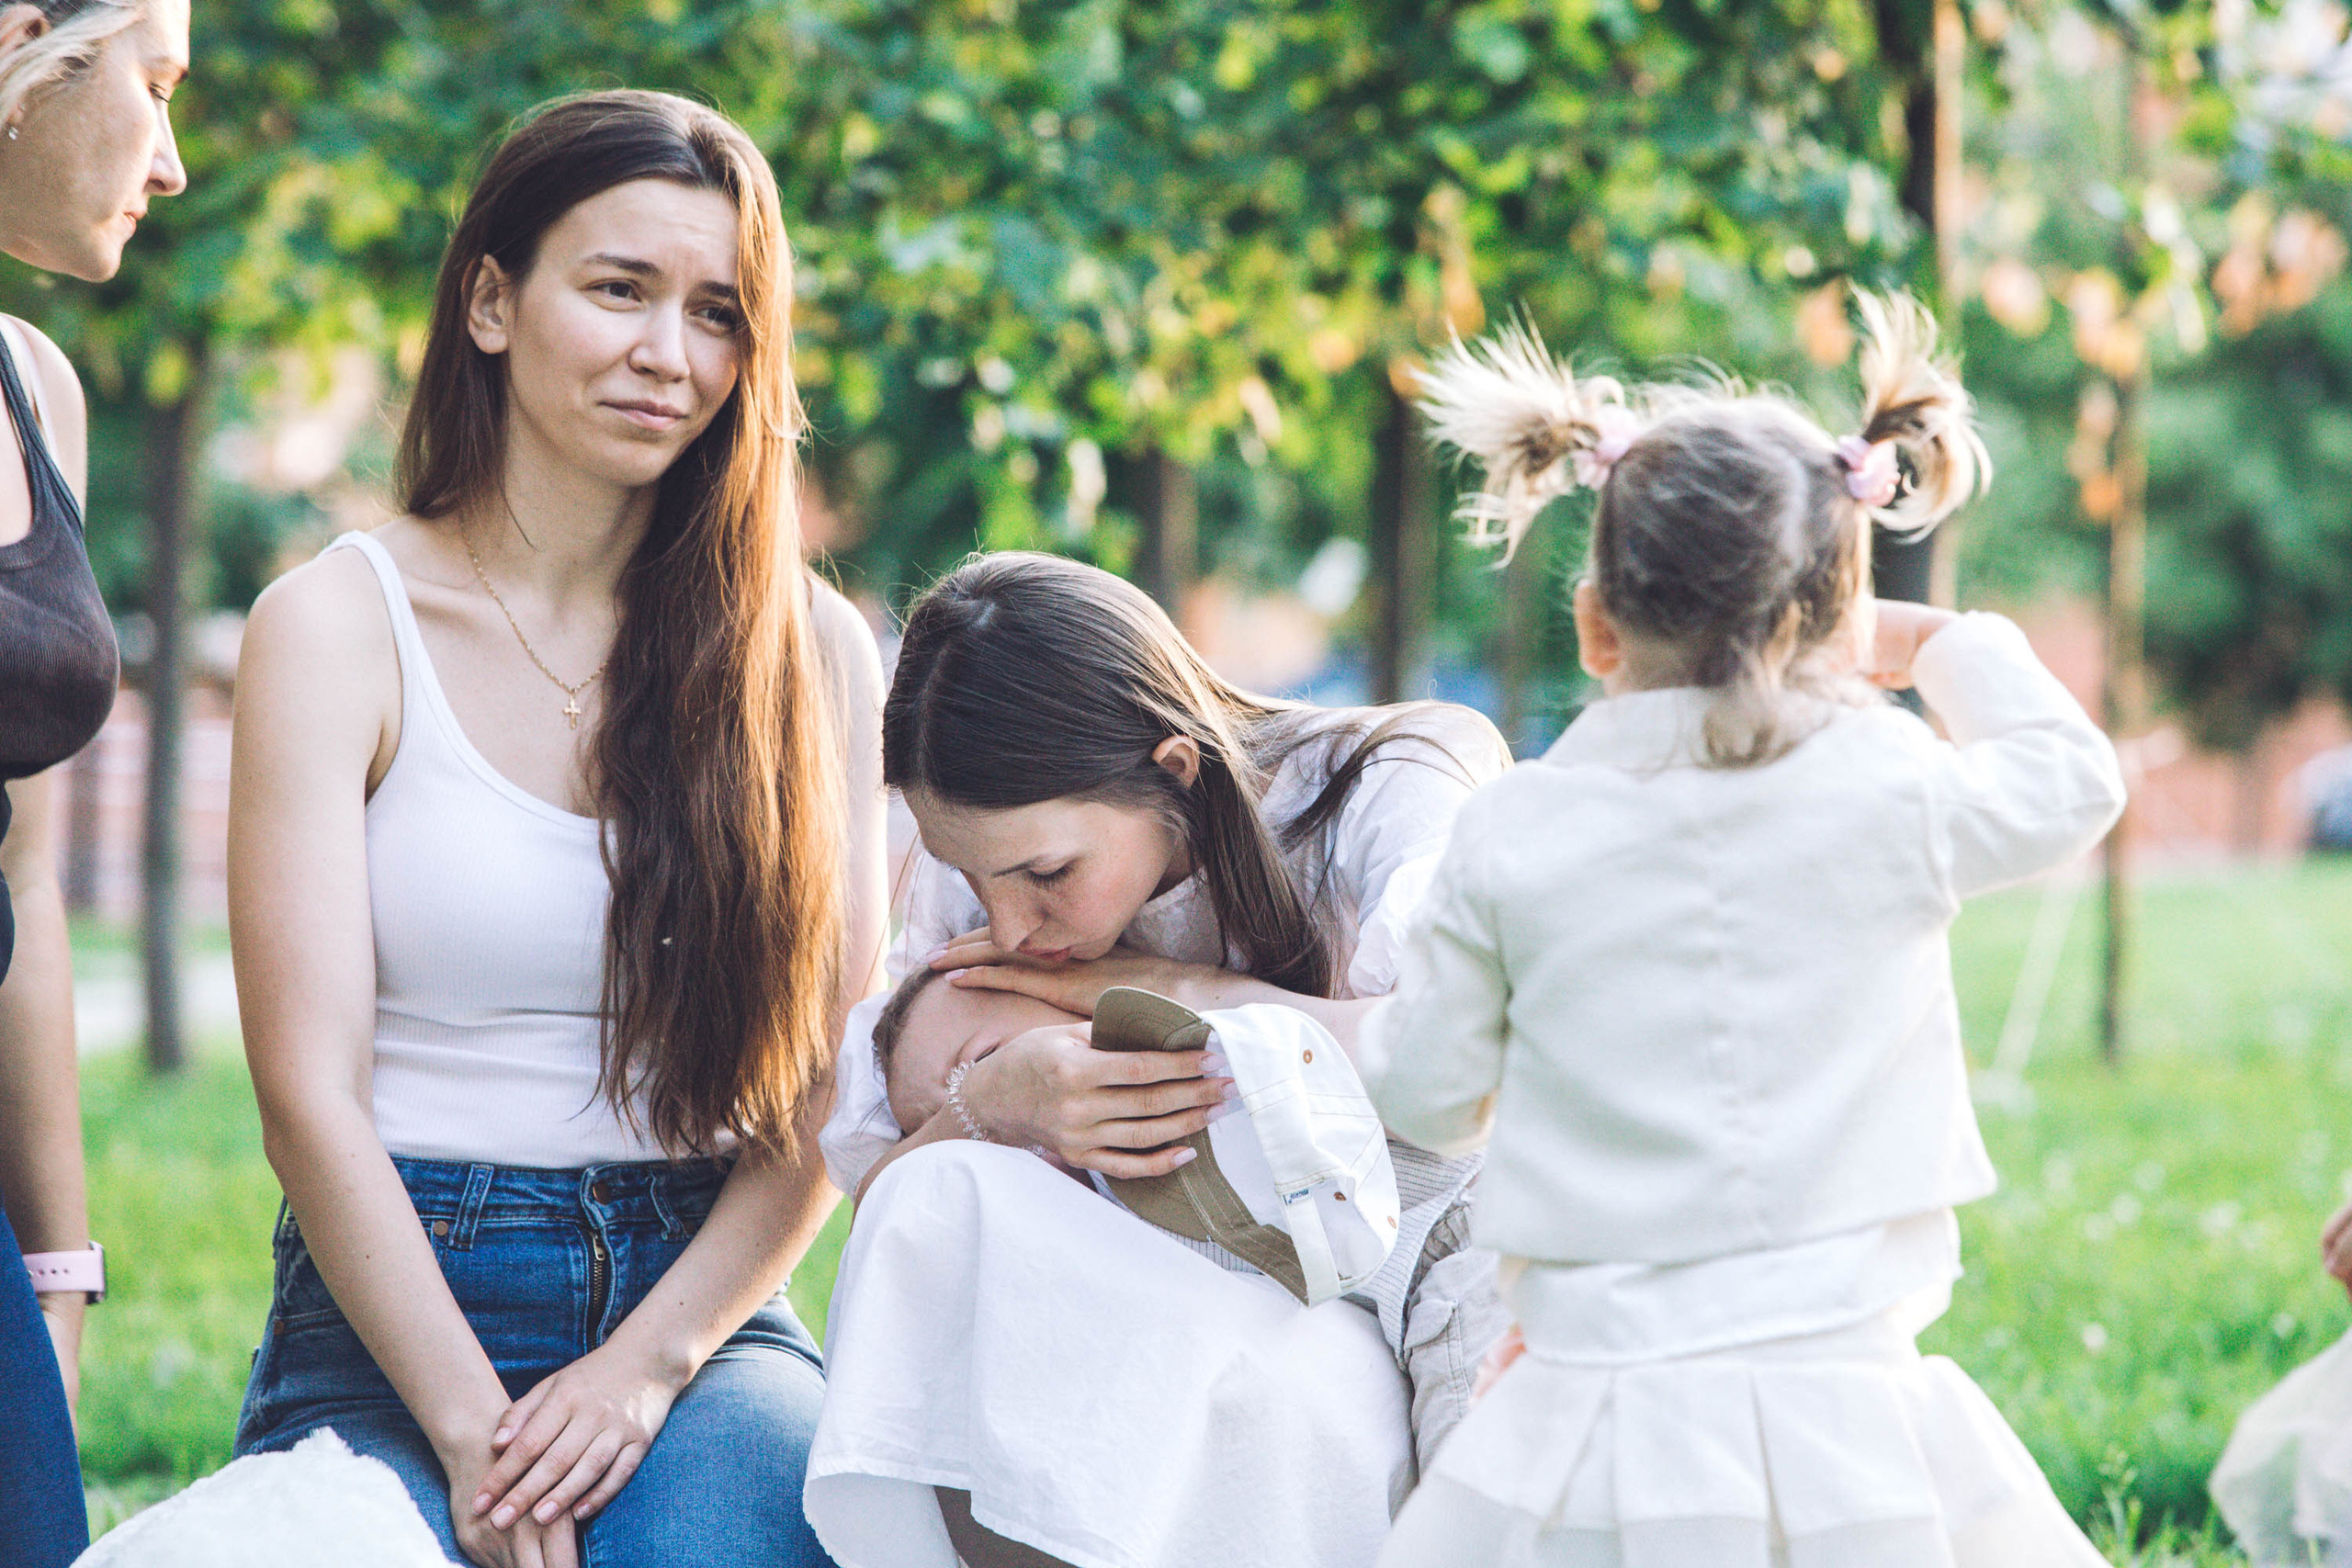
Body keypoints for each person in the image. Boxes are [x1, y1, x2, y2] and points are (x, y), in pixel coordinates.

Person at [1362, 294, 2127, 1567]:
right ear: (1850, 623)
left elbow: (1426, 1097)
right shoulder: (1893, 795)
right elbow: (2071, 779)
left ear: (1596, 626)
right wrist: (1941, 644)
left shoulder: (1513, 832)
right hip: (1852, 1405)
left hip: (1586, 1403)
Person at [227, 90, 882, 1568]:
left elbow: (824, 1089)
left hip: (702, 1310)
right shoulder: (339, 625)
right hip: (400, 1298)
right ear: (489, 301)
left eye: (720, 312)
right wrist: (477, 1434)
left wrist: (645, 1368)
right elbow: (307, 1097)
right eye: (620, 289)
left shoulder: (814, 654)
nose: (671, 354)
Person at [807, 550, 1514, 1568]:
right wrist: (988, 1102)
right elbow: (896, 1224)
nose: (1006, 925)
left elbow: (1465, 1063)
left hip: (1461, 1230)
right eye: (972, 875)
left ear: (1173, 767)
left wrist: (1170, 992)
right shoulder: (999, 901)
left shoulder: (1384, 780)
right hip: (1224, 1262)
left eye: (1046, 873)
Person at [0, 2, 187, 1562]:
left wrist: (58, 1272)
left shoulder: (35, 385)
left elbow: (24, 887)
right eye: (158, 82)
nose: (174, 160)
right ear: (26, 42)